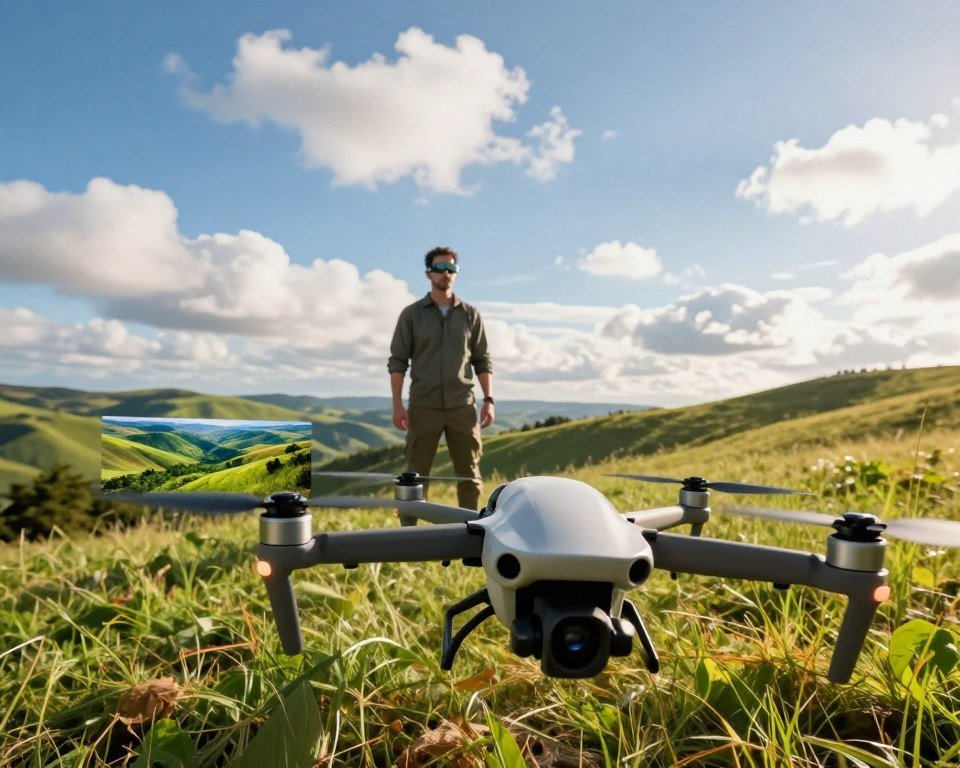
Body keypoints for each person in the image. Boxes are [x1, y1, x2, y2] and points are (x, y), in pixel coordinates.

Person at [388, 246, 494, 510]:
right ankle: (410, 538)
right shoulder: (411, 315)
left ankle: (470, 542)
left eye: (451, 268)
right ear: (428, 273)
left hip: (463, 406)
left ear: (456, 273)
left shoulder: (471, 315)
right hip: (424, 406)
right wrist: (397, 404)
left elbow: (482, 360)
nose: (445, 273)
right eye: (439, 268)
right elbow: (398, 362)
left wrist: (489, 400)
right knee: (415, 478)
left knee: (469, 477)